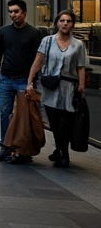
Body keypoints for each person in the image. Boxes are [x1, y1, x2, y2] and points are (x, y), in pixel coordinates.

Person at [25, 10, 88, 168]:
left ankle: (63, 153)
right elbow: (38, 61)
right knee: (53, 121)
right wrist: (30, 81)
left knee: (65, 122)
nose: (65, 23)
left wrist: (81, 86)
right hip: (51, 87)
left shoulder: (78, 45)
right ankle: (60, 149)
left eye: (68, 21)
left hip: (69, 88)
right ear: (57, 23)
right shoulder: (47, 41)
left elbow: (81, 67)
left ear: (72, 24)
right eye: (62, 21)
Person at [0, 0, 43, 163]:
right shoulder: (4, 32)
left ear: (24, 12)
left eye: (16, 11)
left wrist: (32, 81)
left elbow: (39, 59)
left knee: (24, 116)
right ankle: (5, 147)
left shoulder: (34, 33)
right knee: (5, 113)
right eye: (10, 11)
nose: (12, 14)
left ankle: (22, 149)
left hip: (24, 80)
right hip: (6, 78)